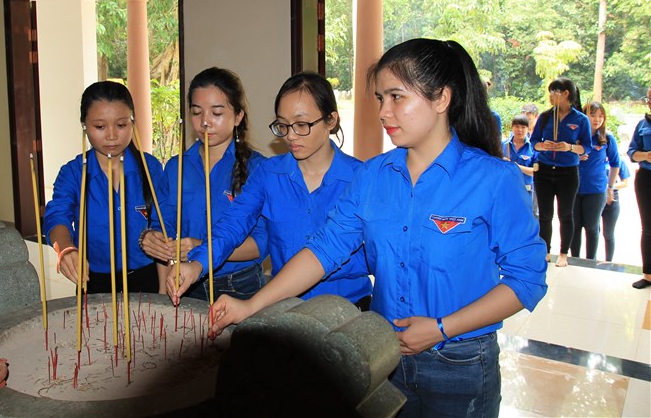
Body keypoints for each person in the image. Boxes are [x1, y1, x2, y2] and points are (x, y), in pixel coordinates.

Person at [198, 39, 547, 416]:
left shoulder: (493, 179)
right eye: (380, 98)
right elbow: (323, 250)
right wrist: (250, 306)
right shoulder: (373, 176)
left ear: (441, 98)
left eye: (396, 97)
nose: (383, 111)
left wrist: (442, 327)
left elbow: (526, 279)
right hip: (384, 353)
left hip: (460, 363)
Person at [168, 71, 373, 308]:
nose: (291, 136)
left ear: (331, 120)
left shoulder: (362, 178)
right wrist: (198, 264)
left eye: (301, 125)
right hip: (287, 308)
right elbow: (233, 224)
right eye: (283, 125)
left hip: (348, 307)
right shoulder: (268, 173)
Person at [140, 67, 267, 300]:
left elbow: (261, 243)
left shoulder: (258, 168)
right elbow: (163, 223)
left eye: (216, 113)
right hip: (186, 283)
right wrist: (153, 238)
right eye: (197, 112)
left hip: (239, 285)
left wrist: (202, 249)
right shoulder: (176, 167)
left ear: (238, 116)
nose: (205, 122)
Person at [43, 81, 168, 294]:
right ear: (84, 125)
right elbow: (57, 217)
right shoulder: (74, 172)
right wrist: (66, 250)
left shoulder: (150, 168)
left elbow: (164, 225)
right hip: (93, 280)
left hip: (145, 279)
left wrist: (164, 291)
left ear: (132, 122)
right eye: (100, 127)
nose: (111, 136)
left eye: (121, 125)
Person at [530, 77, 593, 267]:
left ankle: (564, 253)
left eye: (554, 92)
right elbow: (534, 142)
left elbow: (587, 147)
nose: (550, 95)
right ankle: (546, 251)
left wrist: (569, 147)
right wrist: (544, 146)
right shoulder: (545, 116)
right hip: (544, 170)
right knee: (545, 214)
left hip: (568, 172)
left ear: (566, 94)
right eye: (550, 91)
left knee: (565, 214)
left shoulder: (580, 119)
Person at [571, 102, 620, 260]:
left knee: (592, 228)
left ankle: (590, 261)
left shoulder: (607, 138)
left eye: (600, 116)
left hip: (596, 190)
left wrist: (610, 187)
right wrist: (576, 157)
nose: (597, 119)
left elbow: (615, 164)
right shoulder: (574, 137)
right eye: (592, 115)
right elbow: (561, 158)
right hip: (573, 189)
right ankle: (575, 259)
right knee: (574, 227)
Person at [628, 86, 651, 289]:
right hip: (646, 177)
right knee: (648, 228)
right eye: (649, 98)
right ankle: (648, 275)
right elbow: (632, 152)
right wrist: (646, 155)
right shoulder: (643, 124)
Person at [601, 158, 631, 262]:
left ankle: (608, 261)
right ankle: (591, 260)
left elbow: (625, 183)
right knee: (594, 230)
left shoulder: (619, 161)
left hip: (612, 197)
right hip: (596, 196)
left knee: (608, 233)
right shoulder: (597, 157)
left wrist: (609, 187)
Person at [502, 114, 535, 197]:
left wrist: (516, 166)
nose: (520, 130)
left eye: (523, 127)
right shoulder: (502, 145)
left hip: (525, 190)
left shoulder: (533, 148)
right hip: (505, 187)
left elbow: (535, 171)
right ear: (512, 127)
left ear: (528, 129)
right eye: (517, 126)